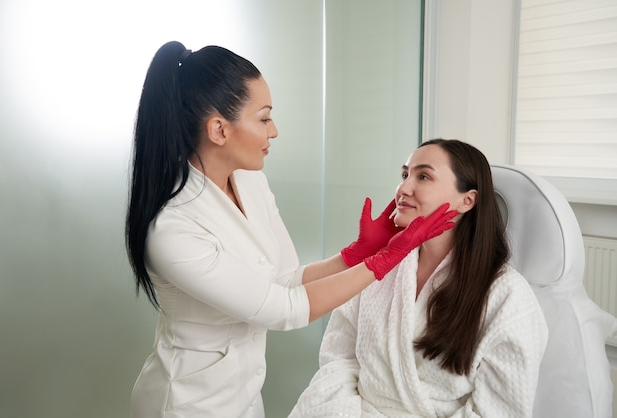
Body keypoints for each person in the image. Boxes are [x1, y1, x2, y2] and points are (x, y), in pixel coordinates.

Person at [125, 41, 457, 418]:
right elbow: (282, 310)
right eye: (264, 118)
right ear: (219, 129)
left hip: (246, 395)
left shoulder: (249, 183)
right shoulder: (172, 229)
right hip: (188, 403)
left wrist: (356, 253)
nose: (275, 130)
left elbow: (284, 279)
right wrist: (382, 261)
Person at [288, 139, 549, 418]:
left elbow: (498, 410)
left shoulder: (507, 296)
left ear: (467, 200)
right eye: (404, 175)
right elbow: (337, 360)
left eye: (423, 176)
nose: (403, 189)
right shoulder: (380, 270)